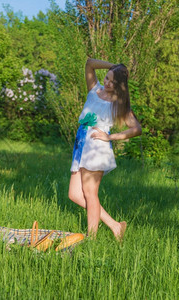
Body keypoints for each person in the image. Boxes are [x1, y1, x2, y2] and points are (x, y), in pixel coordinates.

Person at [68, 58, 142, 241]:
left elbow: (136, 129)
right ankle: (116, 226)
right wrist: (115, 67)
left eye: (112, 81)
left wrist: (110, 137)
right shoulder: (95, 90)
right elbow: (89, 63)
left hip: (97, 149)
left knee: (90, 193)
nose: (108, 83)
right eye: (107, 78)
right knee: (74, 194)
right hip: (81, 146)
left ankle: (91, 238)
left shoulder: (118, 103)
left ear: (119, 86)